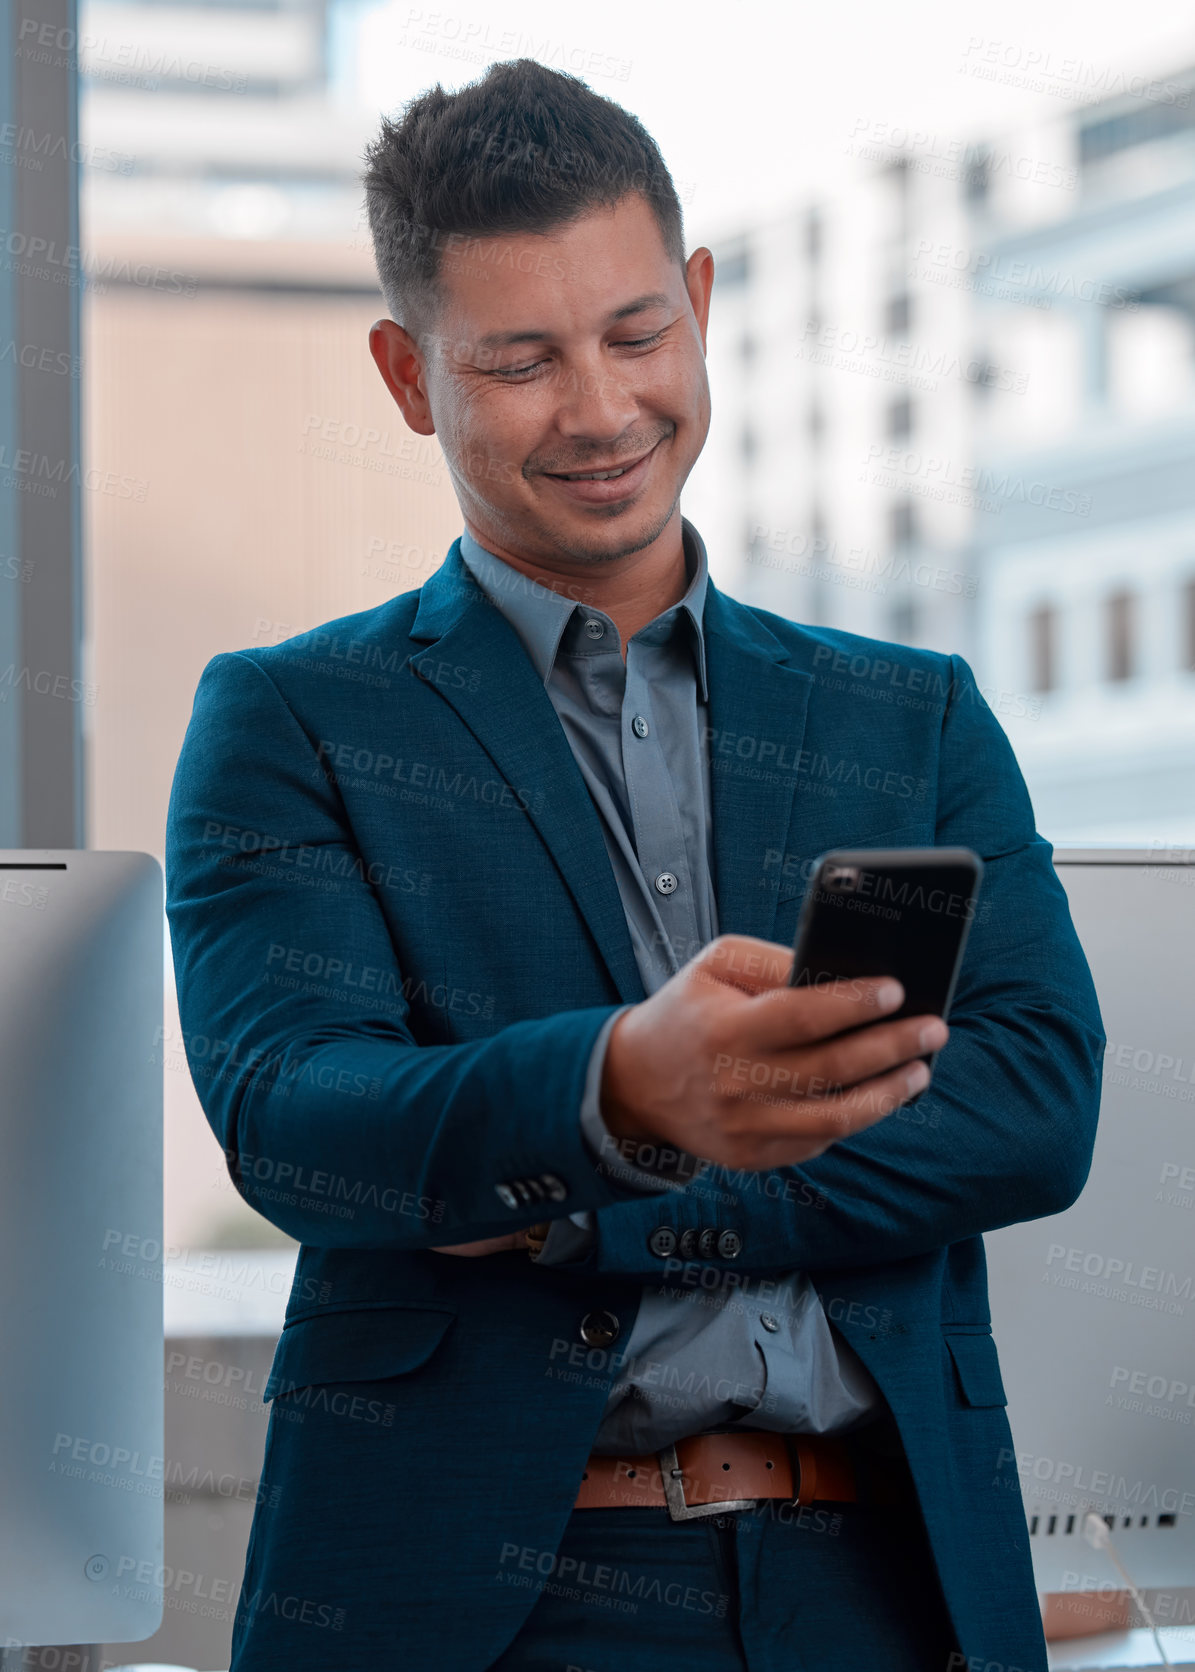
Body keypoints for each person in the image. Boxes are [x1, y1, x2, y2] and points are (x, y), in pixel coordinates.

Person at [164, 57, 1104, 1672]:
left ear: (702, 302)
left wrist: (604, 1184)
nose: (600, 412)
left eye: (635, 334)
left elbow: (1032, 1106)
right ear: (408, 374)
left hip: (889, 1586)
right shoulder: (294, 720)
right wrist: (618, 1088)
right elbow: (302, 1124)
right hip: (492, 1607)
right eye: (519, 362)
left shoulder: (910, 716)